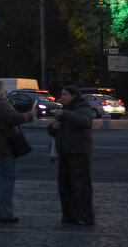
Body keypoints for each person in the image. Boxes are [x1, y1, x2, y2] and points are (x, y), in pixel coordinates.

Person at [0, 78, 36, 224]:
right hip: (2, 149)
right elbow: (15, 118)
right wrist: (30, 115)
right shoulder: (0, 104)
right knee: (6, 181)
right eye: (3, 89)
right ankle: (7, 215)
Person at [50, 86, 95, 225]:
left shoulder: (83, 108)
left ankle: (85, 216)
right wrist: (52, 127)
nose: (62, 97)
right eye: (61, 94)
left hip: (79, 153)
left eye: (65, 94)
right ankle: (69, 215)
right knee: (65, 187)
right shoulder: (66, 110)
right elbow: (55, 131)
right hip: (65, 153)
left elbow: (84, 122)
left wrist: (64, 115)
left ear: (74, 96)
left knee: (81, 187)